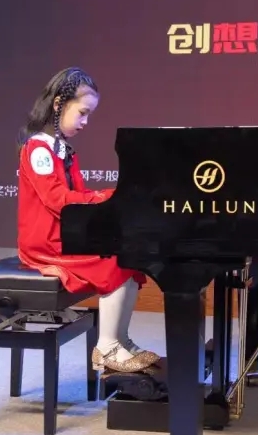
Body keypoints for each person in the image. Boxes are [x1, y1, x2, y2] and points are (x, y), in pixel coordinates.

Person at [16, 67, 160, 374]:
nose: (85, 122)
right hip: (46, 244)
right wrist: (106, 197)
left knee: (130, 257)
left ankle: (120, 340)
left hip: (64, 236)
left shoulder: (63, 150)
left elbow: (78, 197)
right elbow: (57, 200)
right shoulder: (38, 149)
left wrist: (109, 198)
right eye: (82, 113)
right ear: (58, 104)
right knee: (114, 260)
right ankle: (106, 348)